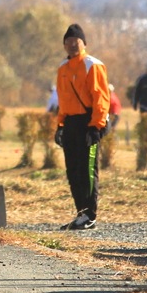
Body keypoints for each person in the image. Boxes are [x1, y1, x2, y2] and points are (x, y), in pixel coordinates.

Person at [54, 24, 109, 230]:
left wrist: (96, 126)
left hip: (89, 122)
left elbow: (101, 97)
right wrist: (60, 125)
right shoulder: (62, 68)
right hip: (70, 123)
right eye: (68, 42)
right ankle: (80, 213)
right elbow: (63, 98)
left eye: (76, 42)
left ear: (84, 44)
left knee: (87, 170)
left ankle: (90, 214)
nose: (72, 46)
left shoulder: (92, 65)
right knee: (73, 170)